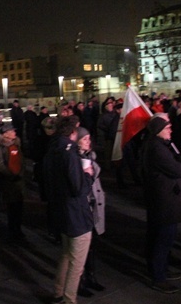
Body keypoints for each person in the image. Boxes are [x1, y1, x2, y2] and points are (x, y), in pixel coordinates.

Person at [44, 117, 94, 304]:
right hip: (76, 213)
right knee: (77, 263)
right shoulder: (70, 153)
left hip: (60, 211)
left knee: (66, 255)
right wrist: (88, 176)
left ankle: (58, 292)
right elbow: (78, 188)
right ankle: (69, 299)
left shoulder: (52, 149)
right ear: (74, 131)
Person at [140, 116, 181, 294]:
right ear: (159, 130)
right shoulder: (157, 149)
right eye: (168, 128)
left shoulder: (158, 145)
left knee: (159, 237)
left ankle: (160, 269)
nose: (171, 131)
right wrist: (180, 163)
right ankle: (158, 276)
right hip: (164, 201)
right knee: (162, 239)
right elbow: (178, 170)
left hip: (162, 200)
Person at [76, 127, 106, 297]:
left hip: (95, 204)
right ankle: (79, 282)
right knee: (81, 248)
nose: (88, 141)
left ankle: (91, 277)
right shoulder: (75, 159)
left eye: (89, 138)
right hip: (84, 205)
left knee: (92, 245)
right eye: (84, 138)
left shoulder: (90, 156)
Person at [0, 123, 25, 241]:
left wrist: (21, 173)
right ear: (6, 134)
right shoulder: (0, 148)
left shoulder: (16, 145)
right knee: (12, 209)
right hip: (9, 182)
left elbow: (21, 161)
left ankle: (18, 230)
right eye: (12, 131)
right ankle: (13, 232)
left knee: (19, 208)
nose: (14, 132)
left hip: (18, 182)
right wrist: (10, 174)